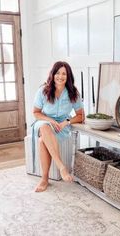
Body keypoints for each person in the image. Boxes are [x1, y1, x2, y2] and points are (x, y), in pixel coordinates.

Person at [32, 61, 84, 192]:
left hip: (61, 127)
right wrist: (49, 120)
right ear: (53, 74)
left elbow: (81, 116)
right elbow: (36, 113)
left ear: (68, 76)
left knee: (42, 141)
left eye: (64, 74)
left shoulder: (73, 92)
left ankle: (44, 179)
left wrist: (66, 121)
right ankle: (61, 167)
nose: (60, 76)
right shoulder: (43, 91)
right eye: (57, 73)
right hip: (43, 122)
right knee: (44, 128)